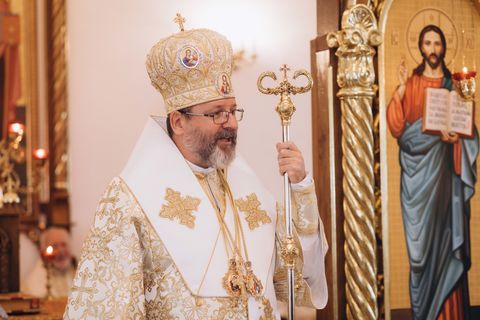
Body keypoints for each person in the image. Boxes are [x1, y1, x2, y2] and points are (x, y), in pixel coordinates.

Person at [64, 23, 328, 319]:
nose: (231, 122)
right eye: (216, 113)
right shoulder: (131, 199)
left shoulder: (247, 190)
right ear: (178, 122)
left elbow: (295, 277)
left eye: (232, 110)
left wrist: (300, 187)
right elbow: (106, 309)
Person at [387, 24, 478, 320]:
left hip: (447, 179)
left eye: (437, 43)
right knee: (421, 253)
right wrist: (400, 90)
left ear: (444, 47)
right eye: (427, 43)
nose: (433, 49)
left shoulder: (455, 86)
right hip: (418, 182)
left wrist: (460, 136)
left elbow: (470, 132)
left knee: (448, 241)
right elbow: (400, 131)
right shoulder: (412, 83)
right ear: (420, 47)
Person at [22, 227, 76, 299]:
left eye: (64, 245)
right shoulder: (36, 276)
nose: (60, 251)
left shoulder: (76, 270)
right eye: (54, 246)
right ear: (43, 250)